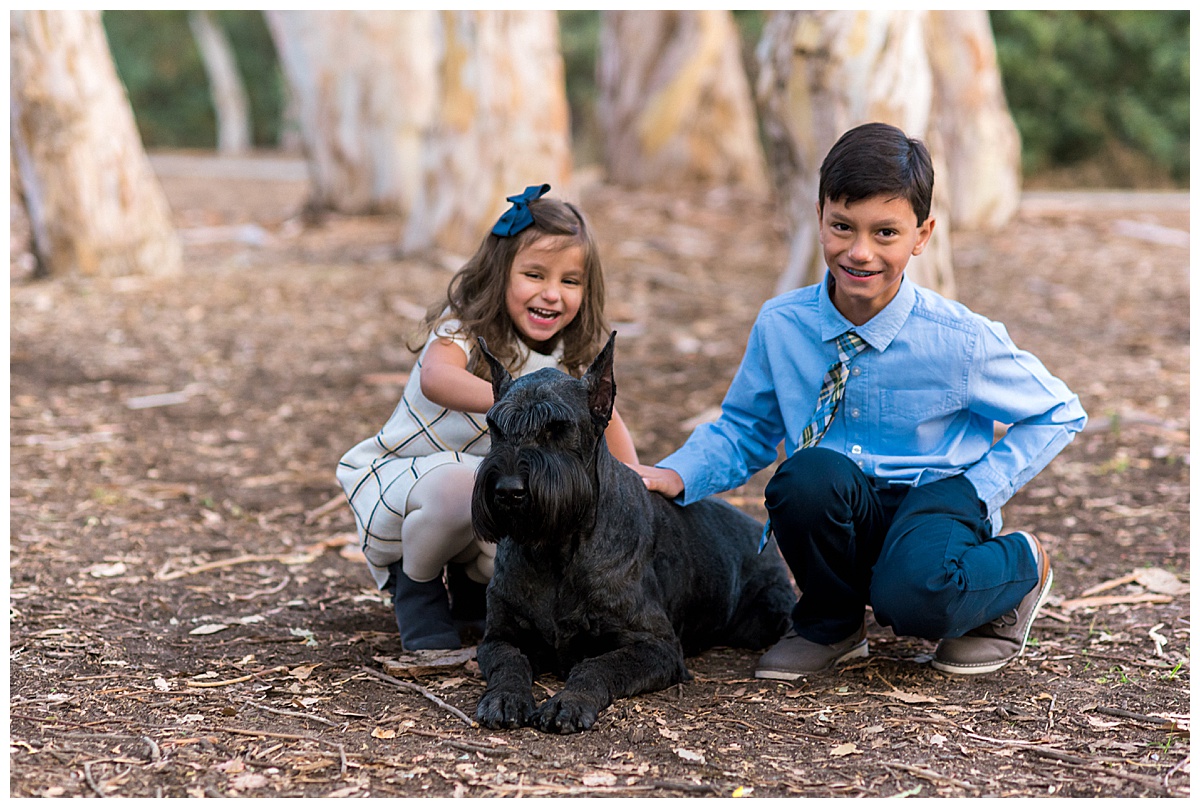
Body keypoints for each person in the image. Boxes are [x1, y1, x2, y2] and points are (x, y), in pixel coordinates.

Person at [636, 123, 1087, 678]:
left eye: (886, 233)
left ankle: (1021, 567)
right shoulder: (783, 325)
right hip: (840, 500)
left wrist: (978, 488)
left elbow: (1059, 410)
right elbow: (746, 427)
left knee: (915, 602)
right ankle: (832, 624)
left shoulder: (959, 339)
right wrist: (676, 474)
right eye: (842, 227)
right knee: (805, 478)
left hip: (934, 499)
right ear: (820, 215)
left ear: (922, 236)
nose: (859, 252)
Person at [338, 184, 639, 651]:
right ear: (500, 274)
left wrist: (639, 480)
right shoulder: (462, 330)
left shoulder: (566, 361)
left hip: (499, 491)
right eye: (534, 274)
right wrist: (512, 402)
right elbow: (435, 379)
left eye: (570, 281)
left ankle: (476, 591)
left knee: (551, 516)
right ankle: (416, 587)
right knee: (461, 485)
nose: (552, 294)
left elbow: (608, 425)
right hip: (415, 486)